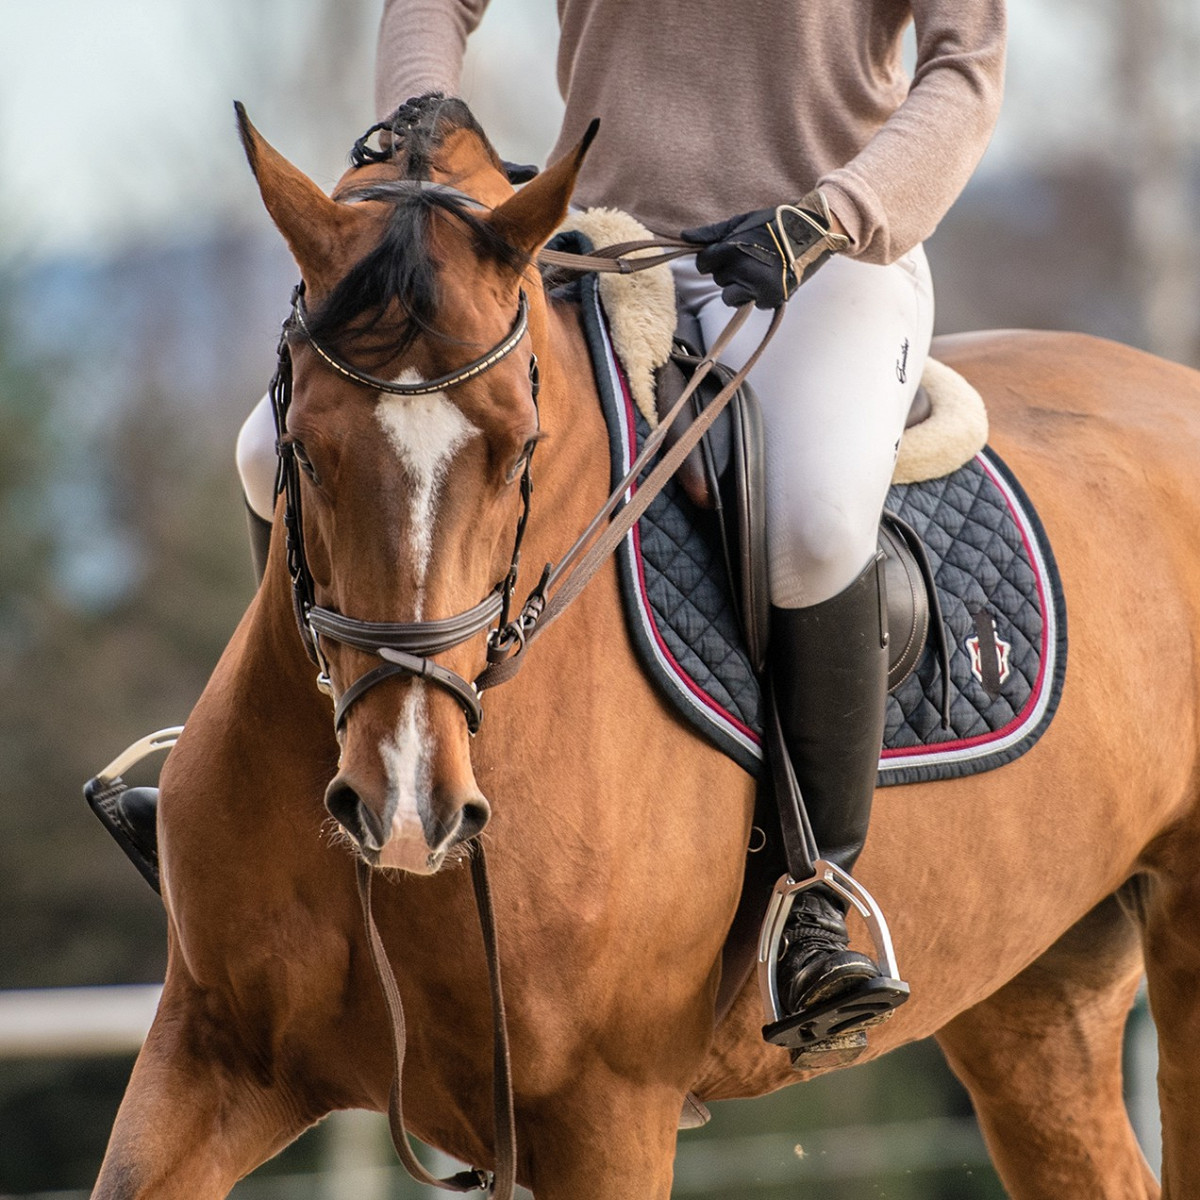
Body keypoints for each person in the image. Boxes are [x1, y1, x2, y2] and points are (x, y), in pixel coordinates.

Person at [123, 0, 1007, 1062]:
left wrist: (837, 210)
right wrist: (418, 137)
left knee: (815, 526)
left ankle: (812, 900)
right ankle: (276, 779)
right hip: (592, 246)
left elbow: (964, 67)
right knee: (273, 450)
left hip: (817, 257)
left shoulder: (833, 227)